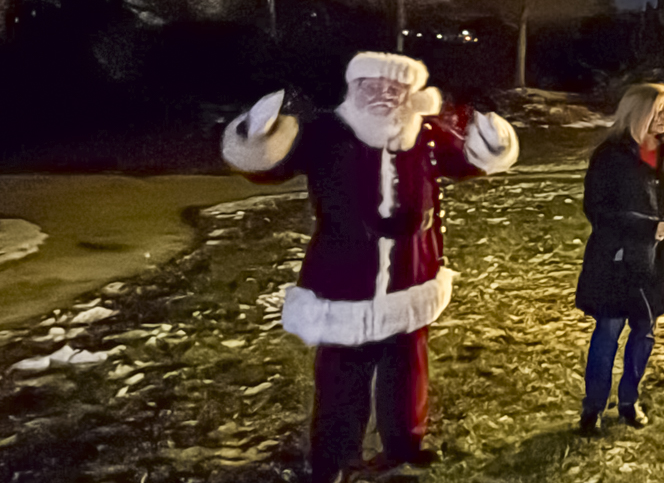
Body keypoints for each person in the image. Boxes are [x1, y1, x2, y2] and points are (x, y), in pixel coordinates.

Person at [221, 53, 519, 483]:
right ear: (355, 89)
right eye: (371, 87)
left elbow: (469, 163)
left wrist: (491, 143)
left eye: (393, 89)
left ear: (408, 94)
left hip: (412, 272)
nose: (383, 95)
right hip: (344, 273)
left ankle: (404, 444)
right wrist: (257, 137)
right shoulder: (327, 132)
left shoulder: (426, 134)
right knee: (343, 371)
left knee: (408, 368)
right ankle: (335, 457)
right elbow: (272, 165)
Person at [574, 84, 664, 434]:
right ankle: (593, 407)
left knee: (644, 332)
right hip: (616, 260)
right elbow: (597, 208)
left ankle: (629, 401)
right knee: (608, 331)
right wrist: (644, 228)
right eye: (656, 111)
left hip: (658, 263)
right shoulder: (610, 155)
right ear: (636, 114)